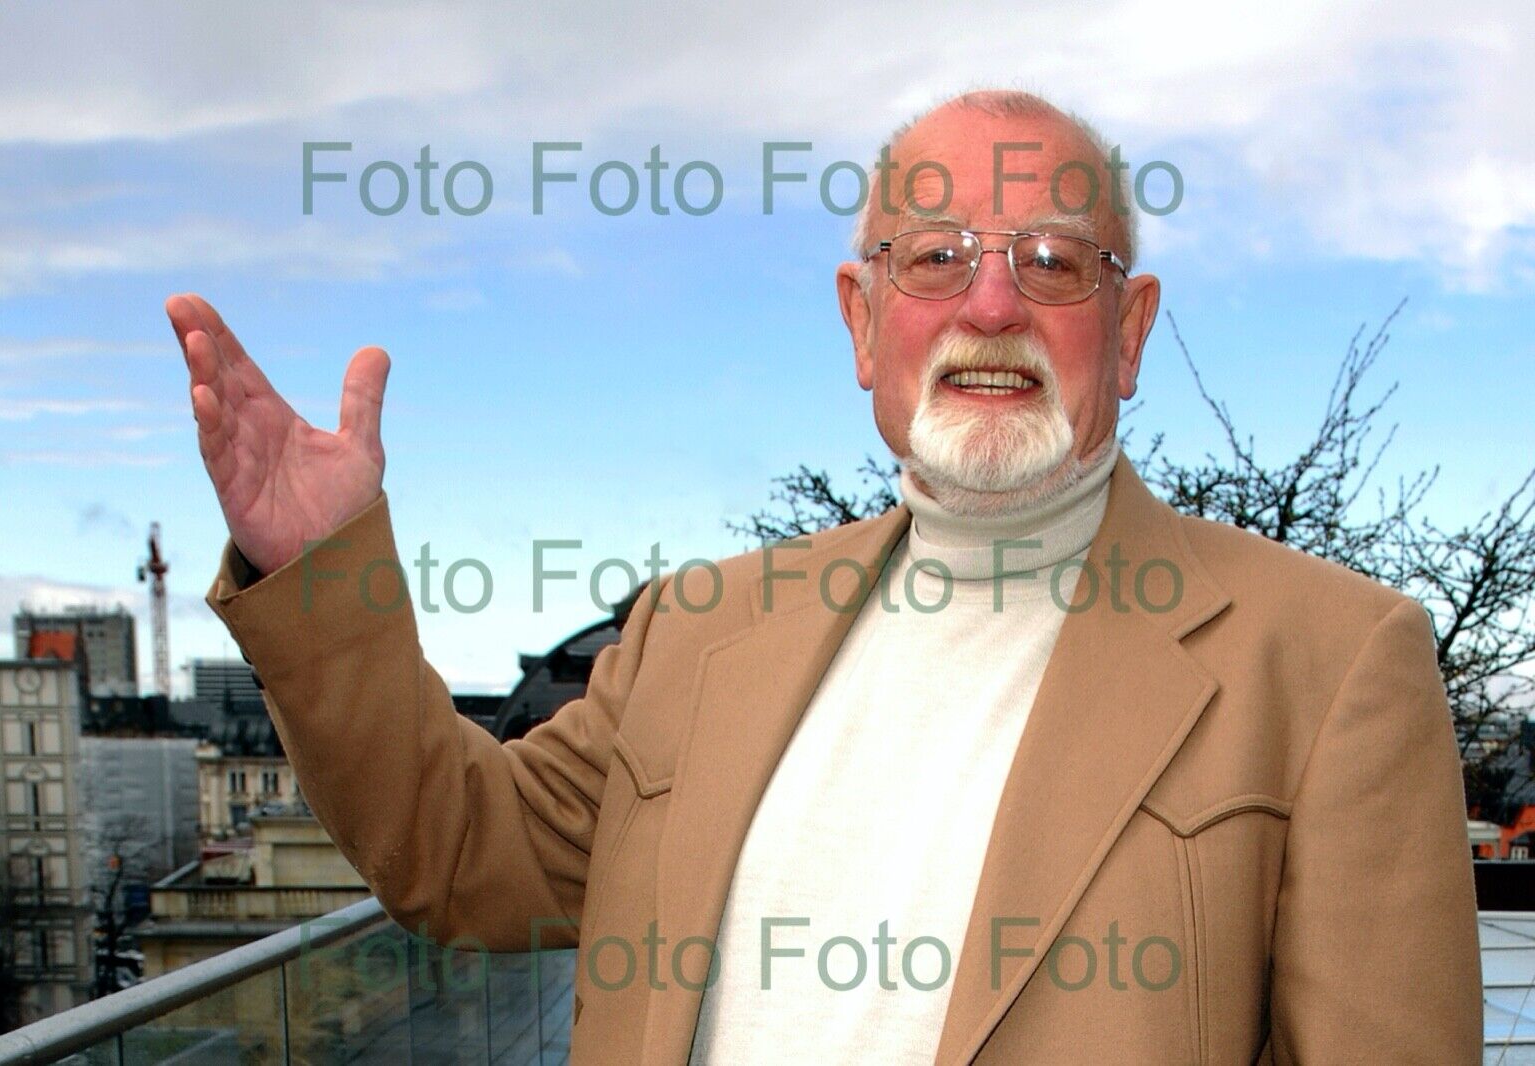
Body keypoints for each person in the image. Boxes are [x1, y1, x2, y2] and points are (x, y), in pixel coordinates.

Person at [170, 89, 1483, 1064]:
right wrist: (320, 572)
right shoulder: (700, 629)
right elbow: (454, 850)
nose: (990, 307)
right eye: (935, 259)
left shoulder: (1329, 661)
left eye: (1051, 262)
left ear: (1128, 332)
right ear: (862, 321)